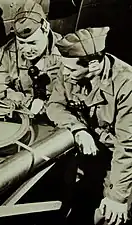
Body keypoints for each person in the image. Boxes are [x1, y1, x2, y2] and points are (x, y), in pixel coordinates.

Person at [46, 27, 132, 225]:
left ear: (93, 65)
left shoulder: (127, 85)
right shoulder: (69, 68)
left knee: (111, 215)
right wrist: (78, 128)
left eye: (72, 70)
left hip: (120, 159)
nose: (65, 74)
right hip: (91, 149)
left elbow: (127, 146)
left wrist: (117, 198)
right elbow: (55, 105)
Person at [0, 0, 62, 115]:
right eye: (21, 43)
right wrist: (27, 102)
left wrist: (45, 106)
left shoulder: (65, 53)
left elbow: (71, 96)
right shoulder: (9, 51)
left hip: (56, 116)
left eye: (32, 43)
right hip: (22, 112)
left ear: (45, 29)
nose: (26, 50)